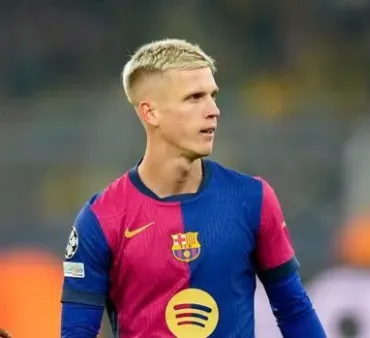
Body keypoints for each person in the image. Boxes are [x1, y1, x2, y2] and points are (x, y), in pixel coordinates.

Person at [60, 39, 326, 338]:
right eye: (194, 97)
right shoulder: (101, 219)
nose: (213, 110)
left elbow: (294, 310)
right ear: (150, 113)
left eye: (213, 96)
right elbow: (77, 333)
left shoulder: (253, 200)